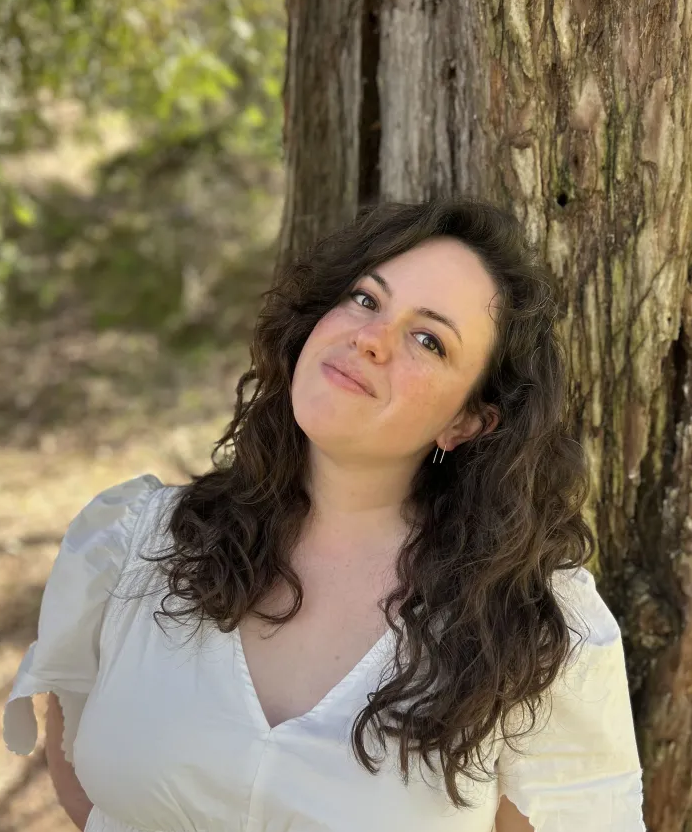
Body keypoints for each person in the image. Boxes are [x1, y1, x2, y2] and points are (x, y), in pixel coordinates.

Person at [3, 198, 645, 832]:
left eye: (428, 339)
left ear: (467, 421)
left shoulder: (534, 632)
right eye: (366, 299)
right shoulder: (137, 543)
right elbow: (83, 775)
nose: (371, 339)